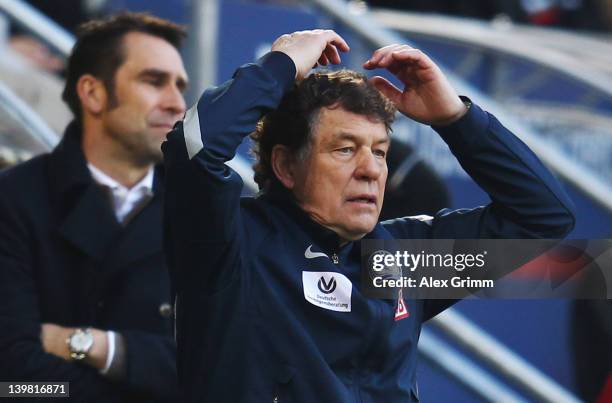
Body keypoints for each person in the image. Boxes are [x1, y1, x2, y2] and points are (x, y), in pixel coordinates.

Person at [162, 29, 575, 402]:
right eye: (344, 149)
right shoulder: (231, 247)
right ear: (286, 166)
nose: (371, 169)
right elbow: (194, 148)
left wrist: (456, 119)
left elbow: (543, 218)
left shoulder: (402, 260)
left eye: (379, 151)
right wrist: (281, 66)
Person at [0, 12, 187, 402]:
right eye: (154, 81)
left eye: (179, 86)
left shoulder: (207, 209)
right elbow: (15, 384)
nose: (176, 103)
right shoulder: (13, 199)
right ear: (93, 93)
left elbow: (225, 366)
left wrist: (88, 345)